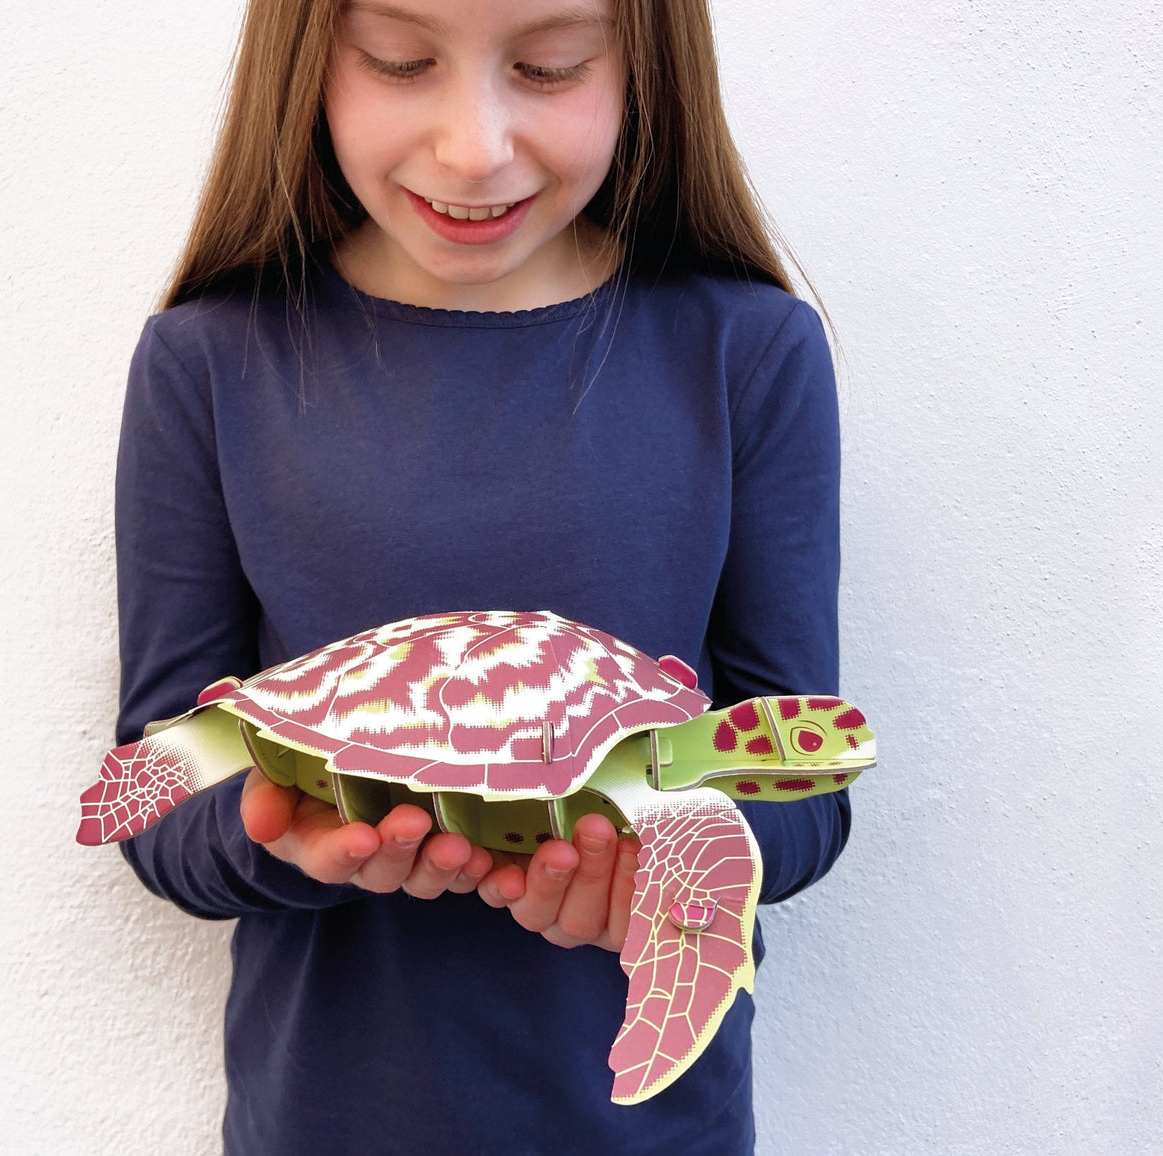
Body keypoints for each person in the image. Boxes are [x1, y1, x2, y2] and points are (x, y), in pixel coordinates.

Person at [111, 0, 851, 1151]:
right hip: (325, 1124)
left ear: (642, 64)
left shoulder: (745, 352)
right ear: (307, 60)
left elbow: (804, 785)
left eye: (548, 69)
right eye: (401, 61)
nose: (473, 146)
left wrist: (690, 851)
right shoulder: (210, 360)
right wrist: (281, 828)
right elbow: (155, 783)